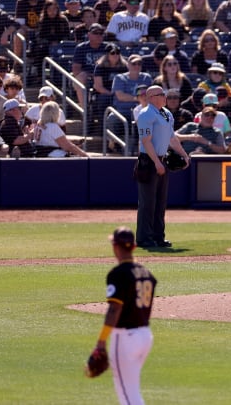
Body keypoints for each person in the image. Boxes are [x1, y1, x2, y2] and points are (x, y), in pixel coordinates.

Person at [90, 226, 157, 404]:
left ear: (115, 247)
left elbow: (114, 310)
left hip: (125, 339)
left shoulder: (118, 274)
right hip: (145, 336)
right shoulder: (146, 273)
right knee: (132, 392)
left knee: (127, 396)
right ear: (133, 247)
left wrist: (101, 342)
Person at [135, 85, 189, 247]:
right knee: (148, 202)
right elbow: (146, 141)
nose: (165, 97)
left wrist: (184, 154)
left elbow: (172, 138)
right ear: (151, 97)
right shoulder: (146, 114)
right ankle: (144, 238)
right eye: (161, 94)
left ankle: (158, 236)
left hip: (162, 159)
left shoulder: (166, 113)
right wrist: (157, 162)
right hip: (148, 160)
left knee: (160, 201)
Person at [72, 23, 110, 109]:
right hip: (88, 76)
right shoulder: (81, 48)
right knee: (81, 77)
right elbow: (76, 70)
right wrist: (92, 75)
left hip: (104, 76)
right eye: (95, 33)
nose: (98, 35)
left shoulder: (108, 47)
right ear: (89, 34)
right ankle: (85, 111)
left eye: (101, 33)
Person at [93, 43, 129, 122]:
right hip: (106, 93)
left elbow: (128, 81)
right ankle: (103, 128)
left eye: (117, 53)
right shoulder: (100, 67)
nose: (115, 55)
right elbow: (98, 86)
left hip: (121, 92)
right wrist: (111, 93)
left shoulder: (124, 66)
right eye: (112, 53)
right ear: (107, 55)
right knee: (104, 99)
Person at [33, 0, 71, 72]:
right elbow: (38, 37)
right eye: (49, 9)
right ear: (46, 10)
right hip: (45, 46)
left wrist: (59, 43)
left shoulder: (63, 20)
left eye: (54, 9)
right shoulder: (41, 21)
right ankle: (40, 76)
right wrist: (50, 43)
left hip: (61, 45)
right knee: (40, 51)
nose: (52, 11)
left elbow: (67, 35)